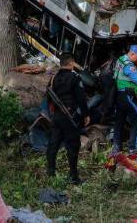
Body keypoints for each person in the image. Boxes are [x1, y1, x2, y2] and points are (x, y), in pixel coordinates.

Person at [46, 53, 90, 185]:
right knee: (72, 145)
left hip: (57, 116)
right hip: (70, 117)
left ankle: (51, 172)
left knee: (54, 143)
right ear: (71, 63)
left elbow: (48, 96)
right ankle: (73, 176)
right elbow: (81, 97)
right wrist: (86, 114)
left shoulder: (54, 77)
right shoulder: (75, 77)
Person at [112, 45, 137, 154]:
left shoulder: (120, 59)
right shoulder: (128, 65)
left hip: (118, 96)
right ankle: (134, 147)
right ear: (132, 54)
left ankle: (116, 147)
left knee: (119, 121)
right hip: (127, 96)